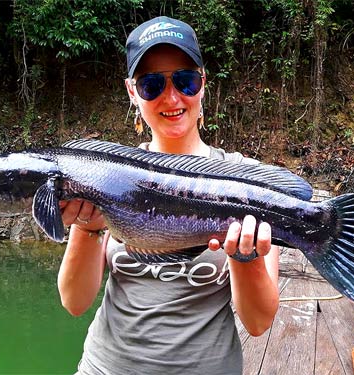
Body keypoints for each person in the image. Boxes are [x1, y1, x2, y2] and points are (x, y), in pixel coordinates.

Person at [58, 16, 279, 375]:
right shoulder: (109, 177)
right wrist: (87, 227)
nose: (171, 97)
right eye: (151, 85)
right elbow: (74, 302)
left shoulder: (244, 184)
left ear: (203, 84)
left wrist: (246, 258)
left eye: (185, 80)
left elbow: (257, 323)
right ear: (132, 92)